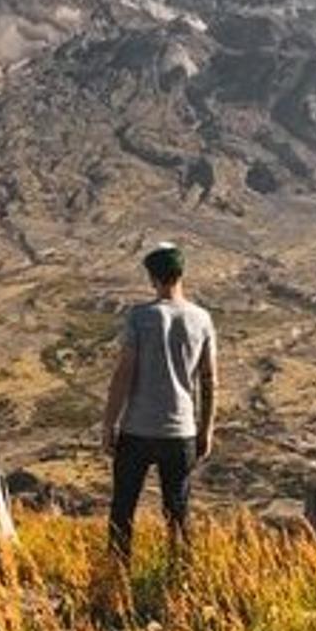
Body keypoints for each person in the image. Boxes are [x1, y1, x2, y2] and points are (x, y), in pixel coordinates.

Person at [102, 241, 217, 562]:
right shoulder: (202, 319)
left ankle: (117, 576)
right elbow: (209, 381)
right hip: (180, 432)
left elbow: (123, 375)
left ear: (152, 277)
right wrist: (206, 429)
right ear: (181, 274)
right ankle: (180, 579)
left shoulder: (140, 317)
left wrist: (109, 423)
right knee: (177, 512)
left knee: (123, 508)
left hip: (137, 429)